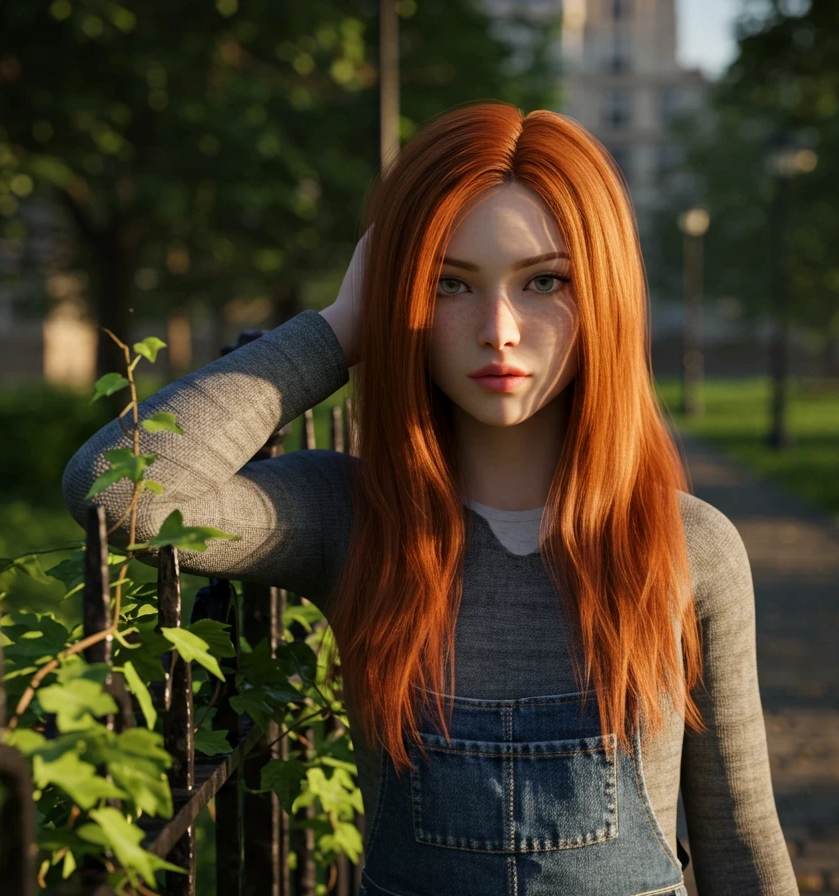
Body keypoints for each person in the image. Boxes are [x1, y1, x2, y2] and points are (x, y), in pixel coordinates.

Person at [62, 101, 798, 895]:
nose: (500, 329)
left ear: (605, 299)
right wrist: (345, 324)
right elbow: (121, 495)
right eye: (451, 284)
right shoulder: (350, 517)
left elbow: (741, 836)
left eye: (545, 281)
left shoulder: (689, 546)